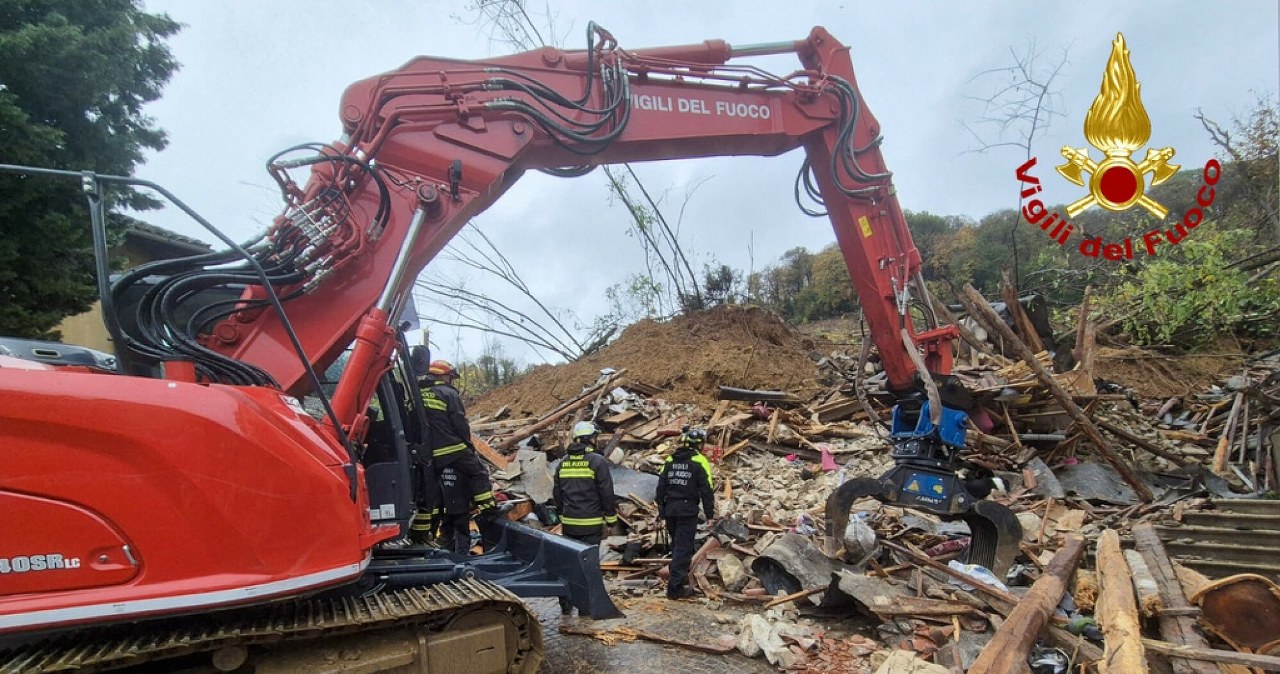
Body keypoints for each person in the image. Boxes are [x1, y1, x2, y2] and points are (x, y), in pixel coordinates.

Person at [420, 359, 502, 553]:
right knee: (479, 471)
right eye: (450, 377)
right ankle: (488, 509)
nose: (451, 381)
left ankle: (428, 534)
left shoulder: (418, 394)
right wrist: (468, 445)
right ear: (443, 376)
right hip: (451, 447)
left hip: (428, 452)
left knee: (432, 490)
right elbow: (459, 422)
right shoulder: (448, 394)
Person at [552, 420, 619, 613]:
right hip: (591, 524)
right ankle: (585, 607)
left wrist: (562, 515)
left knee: (571, 563)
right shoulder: (597, 462)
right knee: (589, 566)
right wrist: (611, 520)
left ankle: (566, 603)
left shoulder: (563, 463)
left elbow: (557, 494)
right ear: (590, 439)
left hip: (570, 524)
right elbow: (607, 493)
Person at [656, 427, 715, 600]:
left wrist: (662, 511)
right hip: (687, 511)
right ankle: (675, 589)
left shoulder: (669, 460)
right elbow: (707, 491)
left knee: (677, 546)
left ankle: (680, 581)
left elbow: (660, 489)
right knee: (683, 549)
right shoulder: (699, 461)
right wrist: (710, 515)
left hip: (671, 510)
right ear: (698, 445)